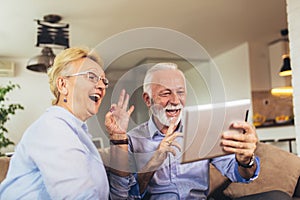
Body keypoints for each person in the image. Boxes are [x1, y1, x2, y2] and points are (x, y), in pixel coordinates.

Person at [108, 62, 262, 200]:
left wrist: (246, 161)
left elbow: (239, 175)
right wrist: (154, 162)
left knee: (276, 196)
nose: (175, 100)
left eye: (180, 92)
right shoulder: (132, 141)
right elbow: (128, 196)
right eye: (165, 93)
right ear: (148, 100)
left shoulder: (201, 130)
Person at [0, 47, 133, 200]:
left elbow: (118, 194)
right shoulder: (52, 129)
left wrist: (119, 136)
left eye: (104, 80)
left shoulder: (79, 133)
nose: (102, 86)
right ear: (63, 85)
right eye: (91, 77)